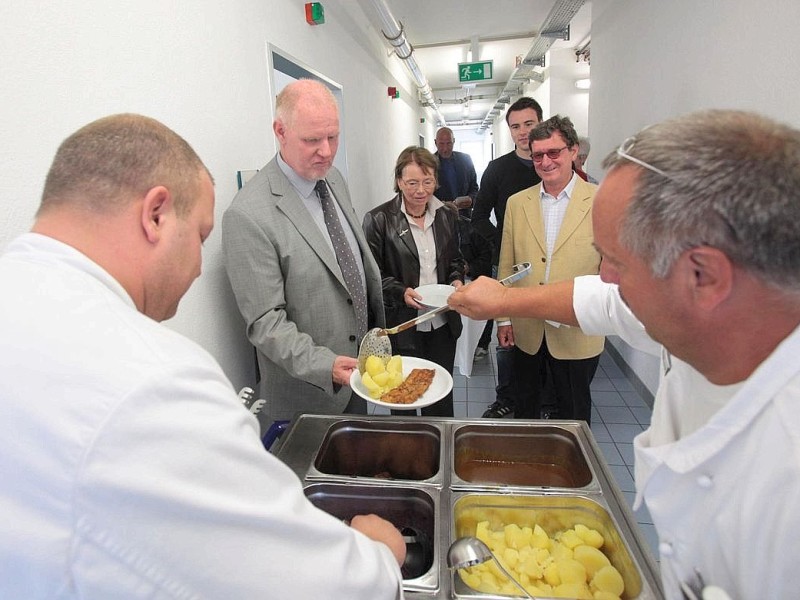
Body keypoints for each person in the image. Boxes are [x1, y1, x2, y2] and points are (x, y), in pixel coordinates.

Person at [0, 114, 405, 599]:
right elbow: (300, 580)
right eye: (199, 237)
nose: (197, 268)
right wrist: (381, 555)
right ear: (156, 215)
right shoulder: (159, 381)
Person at [449, 109, 800, 599]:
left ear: (704, 276)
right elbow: (600, 301)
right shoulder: (703, 314)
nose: (604, 277)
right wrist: (504, 303)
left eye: (616, 261)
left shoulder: (785, 477)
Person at [222, 79, 385, 424]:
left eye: (333, 137)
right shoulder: (248, 215)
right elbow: (266, 324)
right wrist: (327, 366)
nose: (326, 151)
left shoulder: (334, 179)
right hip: (309, 396)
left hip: (358, 376)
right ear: (280, 131)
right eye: (312, 140)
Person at [498, 115, 603, 423]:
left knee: (573, 413)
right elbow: (507, 263)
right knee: (525, 407)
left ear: (573, 151)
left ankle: (572, 470)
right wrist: (503, 319)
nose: (545, 161)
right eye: (538, 155)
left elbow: (610, 272)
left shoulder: (600, 201)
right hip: (527, 329)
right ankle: (528, 465)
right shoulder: (518, 203)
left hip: (576, 328)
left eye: (554, 152)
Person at [362, 146, 466, 417]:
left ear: (436, 180)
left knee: (440, 394)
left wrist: (456, 281)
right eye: (412, 183)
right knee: (403, 397)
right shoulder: (379, 220)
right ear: (398, 181)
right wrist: (400, 292)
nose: (421, 190)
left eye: (428, 181)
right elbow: (372, 274)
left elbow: (455, 260)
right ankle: (408, 454)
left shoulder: (447, 215)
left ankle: (441, 450)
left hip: (443, 322)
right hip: (404, 322)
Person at [471, 96, 543, 417]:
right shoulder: (498, 170)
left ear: (541, 123)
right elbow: (478, 217)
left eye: (529, 124)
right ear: (510, 131)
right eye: (516, 126)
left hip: (551, 266)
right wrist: (502, 241)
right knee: (508, 332)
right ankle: (506, 397)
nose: (523, 131)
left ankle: (545, 400)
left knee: (547, 332)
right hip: (511, 267)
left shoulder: (552, 166)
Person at [433, 126, 479, 216]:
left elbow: (474, 188)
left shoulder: (466, 159)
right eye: (441, 144)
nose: (445, 149)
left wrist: (471, 199)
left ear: (454, 141)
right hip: (439, 217)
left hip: (465, 216)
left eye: (449, 143)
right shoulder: (428, 164)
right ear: (435, 143)